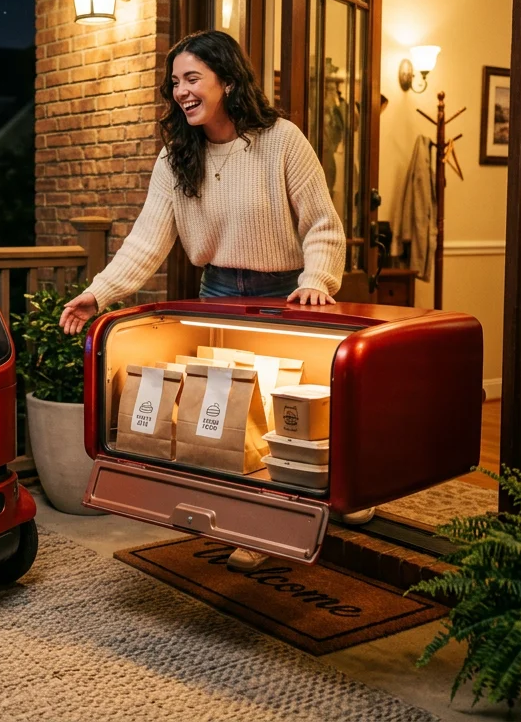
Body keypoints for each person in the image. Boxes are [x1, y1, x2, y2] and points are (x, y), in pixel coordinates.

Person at [58, 29, 347, 572]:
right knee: (230, 419)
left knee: (292, 422)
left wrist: (318, 280)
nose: (182, 92)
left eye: (193, 78)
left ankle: (338, 497)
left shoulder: (282, 140)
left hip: (287, 293)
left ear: (229, 81)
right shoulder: (174, 161)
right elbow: (147, 242)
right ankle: (251, 528)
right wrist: (97, 295)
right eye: (175, 83)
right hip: (215, 294)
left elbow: (322, 224)